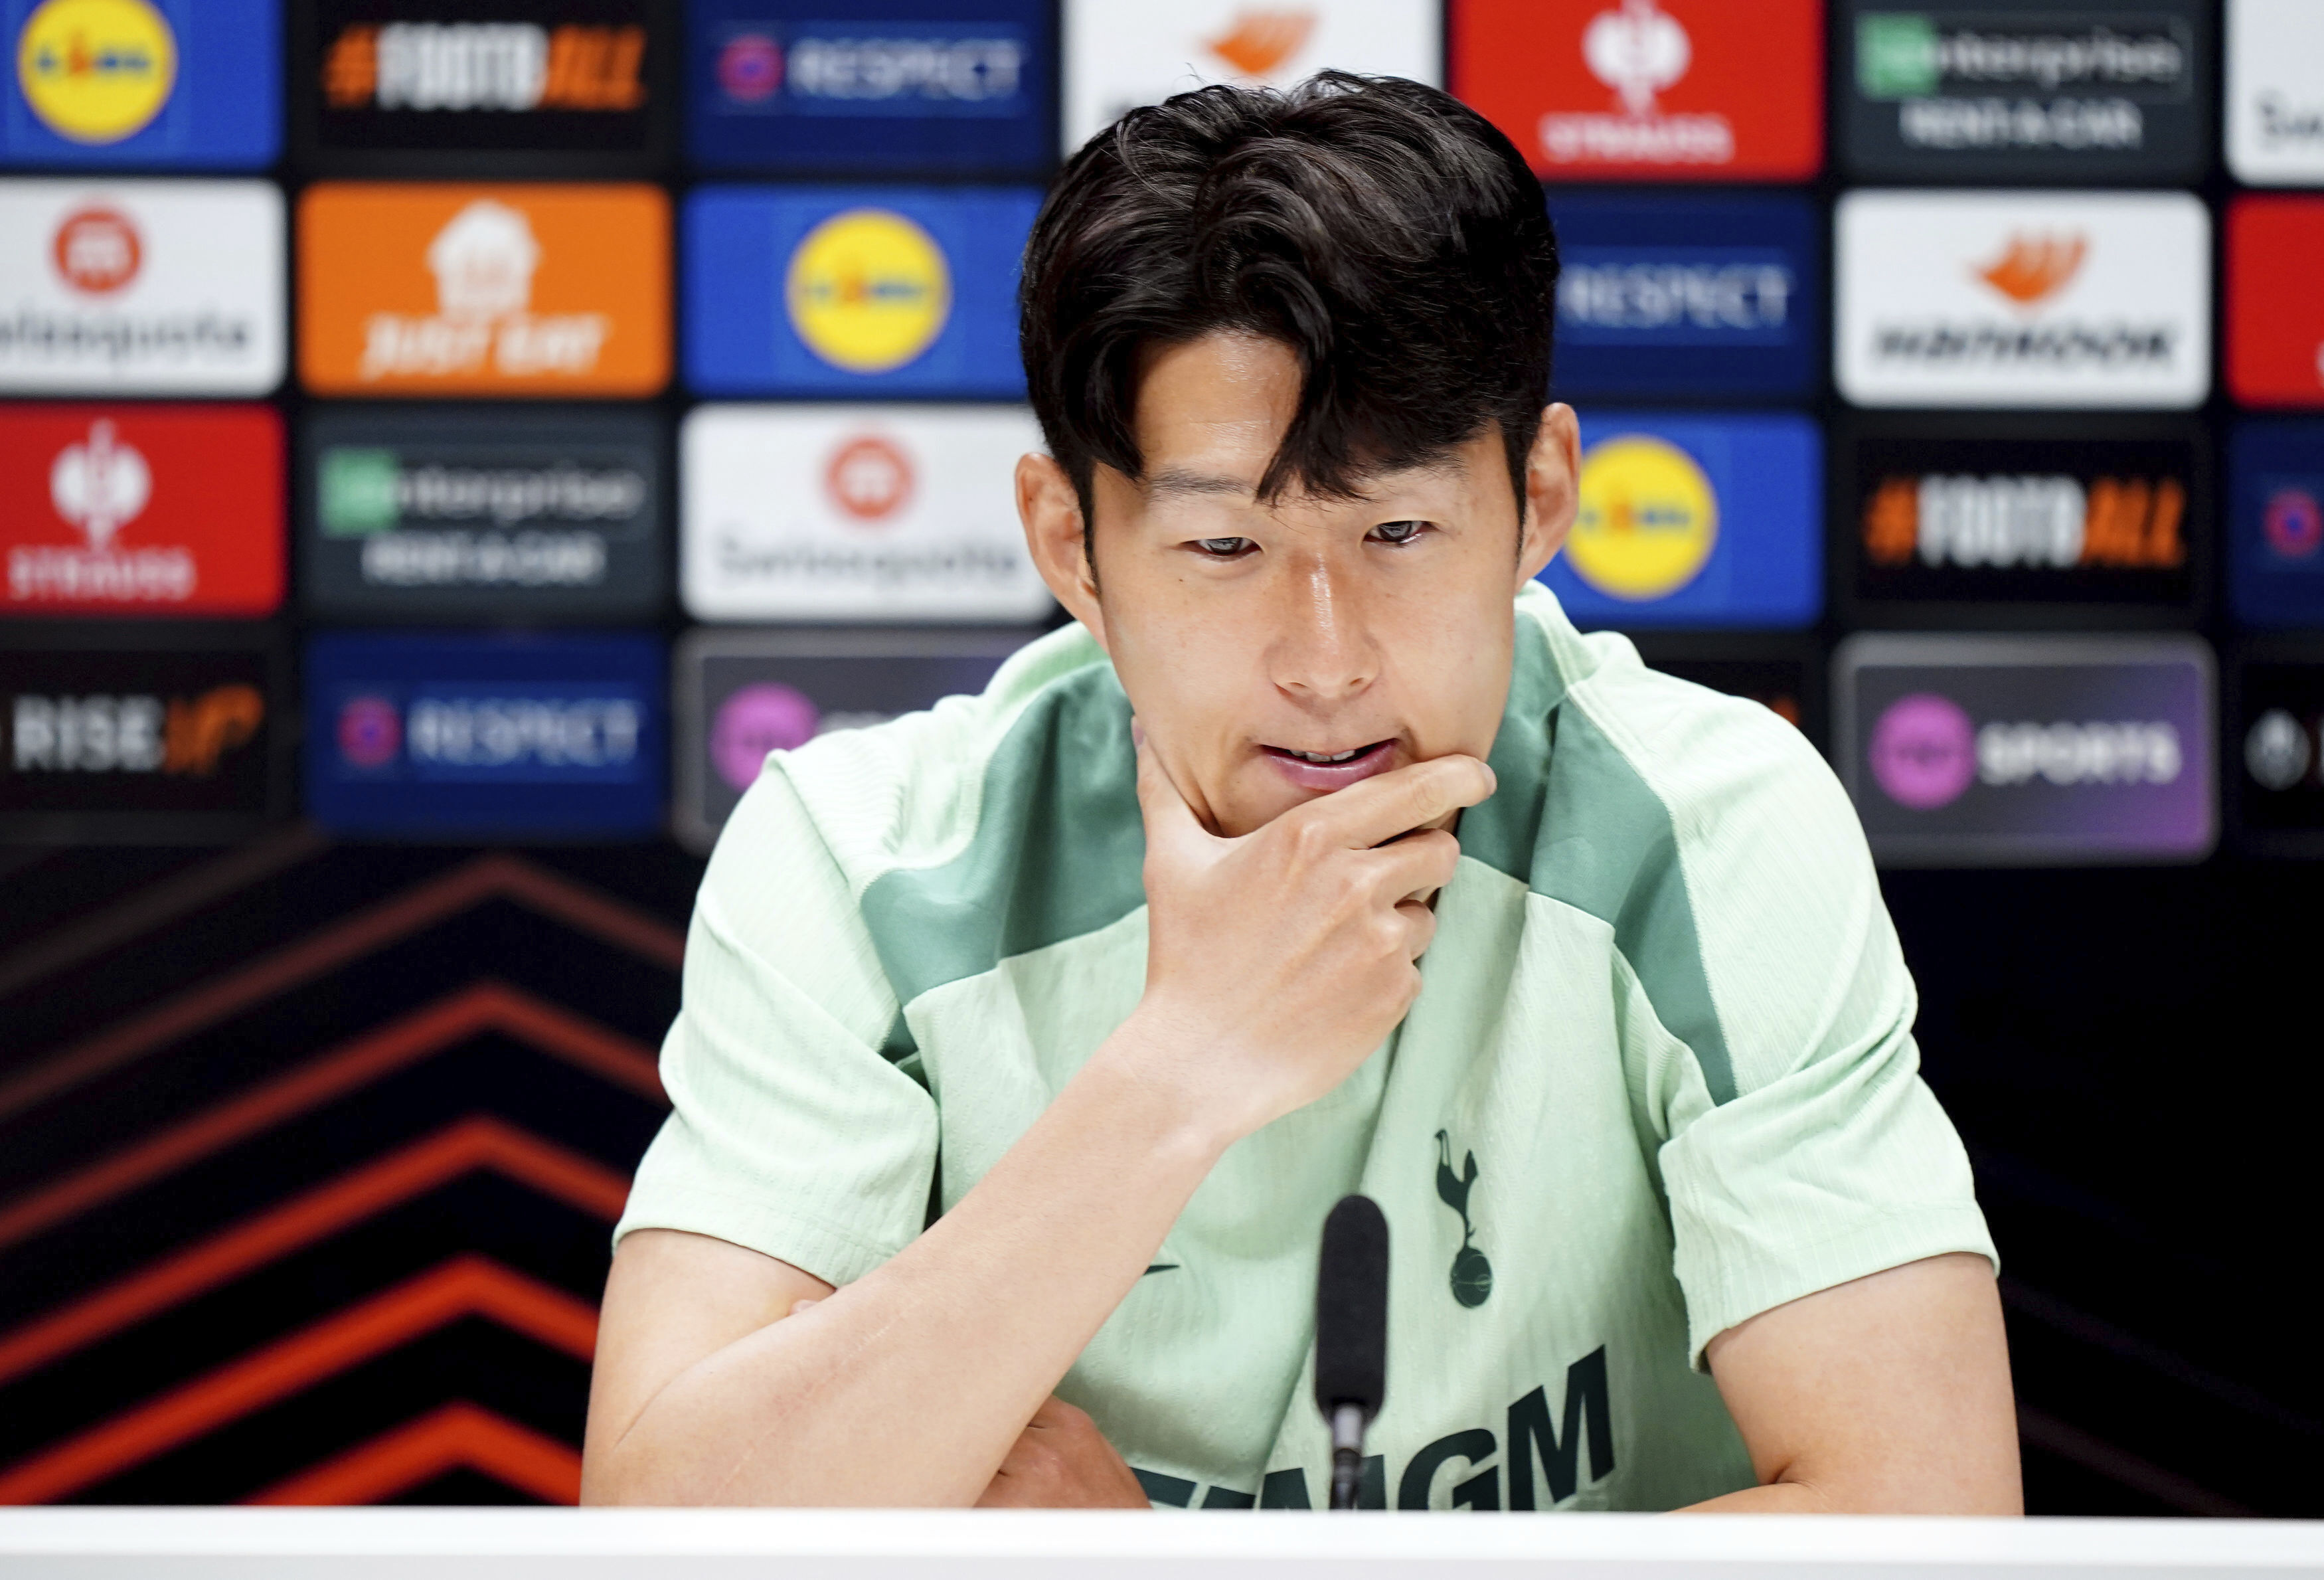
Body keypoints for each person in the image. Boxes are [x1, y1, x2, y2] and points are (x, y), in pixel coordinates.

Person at [582, 72, 2019, 1513]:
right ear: (1069, 545)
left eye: (1397, 528)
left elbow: (1934, 1519)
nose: (1325, 660)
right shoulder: (862, 860)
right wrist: (1183, 1064)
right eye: (1221, 547)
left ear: (1544, 497)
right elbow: (658, 1534)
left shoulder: (1712, 828)